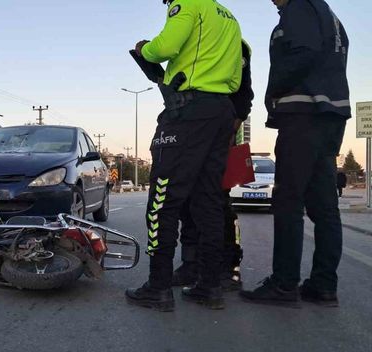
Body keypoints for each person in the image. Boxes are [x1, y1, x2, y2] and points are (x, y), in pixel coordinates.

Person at [125, 0, 243, 311]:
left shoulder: (187, 2)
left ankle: (159, 286)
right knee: (209, 201)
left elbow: (166, 47)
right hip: (221, 111)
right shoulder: (228, 17)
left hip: (188, 112)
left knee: (162, 200)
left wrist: (144, 49)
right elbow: (236, 73)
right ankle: (209, 285)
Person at [240, 0, 350, 308]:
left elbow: (304, 53)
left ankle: (284, 284)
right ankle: (323, 285)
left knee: (288, 201)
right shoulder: (329, 15)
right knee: (324, 206)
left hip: (304, 113)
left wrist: (273, 90)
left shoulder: (300, 6)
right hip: (330, 115)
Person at [173, 39, 254, 292]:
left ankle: (227, 267)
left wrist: (233, 126)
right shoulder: (187, 38)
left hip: (221, 133)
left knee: (217, 203)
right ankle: (191, 264)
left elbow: (243, 93)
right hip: (190, 130)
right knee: (186, 202)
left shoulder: (233, 41)